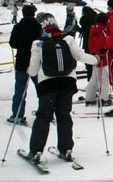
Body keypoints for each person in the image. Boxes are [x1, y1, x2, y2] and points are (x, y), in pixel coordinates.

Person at [24, 13, 98, 164]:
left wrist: (28, 73)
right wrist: (95, 59)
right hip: (67, 83)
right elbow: (80, 56)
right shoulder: (68, 39)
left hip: (48, 86)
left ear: (42, 26)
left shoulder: (38, 43)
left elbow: (33, 70)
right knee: (64, 115)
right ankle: (66, 149)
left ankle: (36, 151)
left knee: (43, 117)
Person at [7, 4, 42, 124]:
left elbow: (12, 43)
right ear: (34, 14)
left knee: (20, 90)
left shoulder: (18, 26)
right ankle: (45, 112)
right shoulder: (38, 26)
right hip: (35, 61)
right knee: (41, 89)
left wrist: (22, 45)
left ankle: (17, 114)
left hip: (22, 60)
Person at [83, 12, 112, 106]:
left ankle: (90, 98)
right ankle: (104, 99)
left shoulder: (92, 28)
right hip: (103, 55)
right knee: (104, 78)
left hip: (94, 56)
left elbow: (91, 43)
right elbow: (106, 42)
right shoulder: (103, 30)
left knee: (94, 77)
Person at [79, 6, 97, 80]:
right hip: (95, 43)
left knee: (88, 60)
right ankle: (92, 76)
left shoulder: (86, 20)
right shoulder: (95, 18)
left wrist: (78, 29)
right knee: (93, 60)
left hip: (88, 43)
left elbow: (86, 32)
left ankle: (90, 77)